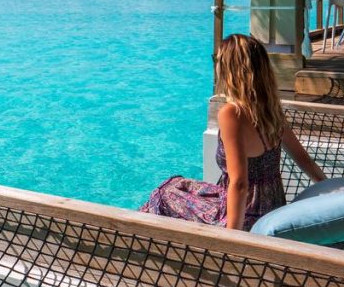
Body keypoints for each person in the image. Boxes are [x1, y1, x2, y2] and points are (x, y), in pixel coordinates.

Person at [139, 33, 326, 231]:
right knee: (179, 184)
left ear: (231, 69)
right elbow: (304, 160)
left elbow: (239, 184)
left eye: (218, 61)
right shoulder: (270, 110)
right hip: (273, 207)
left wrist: (232, 239)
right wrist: (329, 190)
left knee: (164, 193)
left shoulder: (232, 113)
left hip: (242, 214)